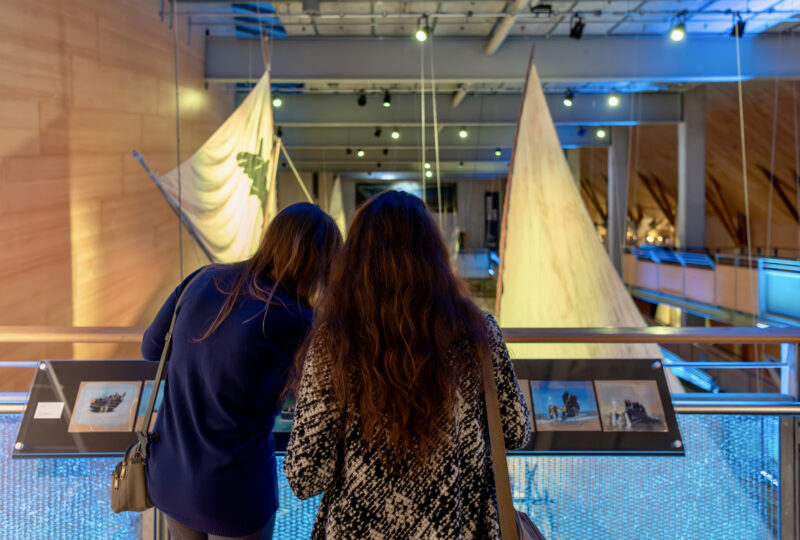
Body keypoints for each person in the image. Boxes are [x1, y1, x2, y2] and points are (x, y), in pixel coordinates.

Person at [284, 190, 531, 539]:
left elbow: (306, 475)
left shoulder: (334, 343)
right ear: (434, 256)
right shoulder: (478, 333)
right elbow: (515, 430)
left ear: (355, 261)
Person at [141, 203, 342, 540]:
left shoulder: (201, 279)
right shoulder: (295, 320)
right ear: (320, 263)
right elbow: (322, 395)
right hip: (234, 492)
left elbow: (151, 349)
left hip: (169, 478)